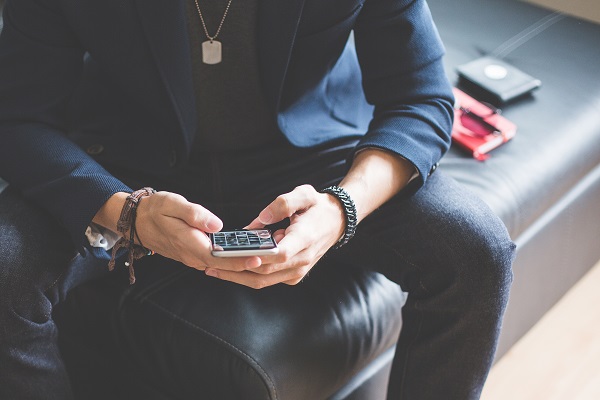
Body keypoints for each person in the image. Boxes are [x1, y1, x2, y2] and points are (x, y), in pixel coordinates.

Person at [0, 0, 516, 398]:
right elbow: (18, 117)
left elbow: (421, 96)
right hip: (125, 162)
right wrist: (124, 211)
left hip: (308, 160)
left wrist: (342, 208)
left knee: (477, 250)